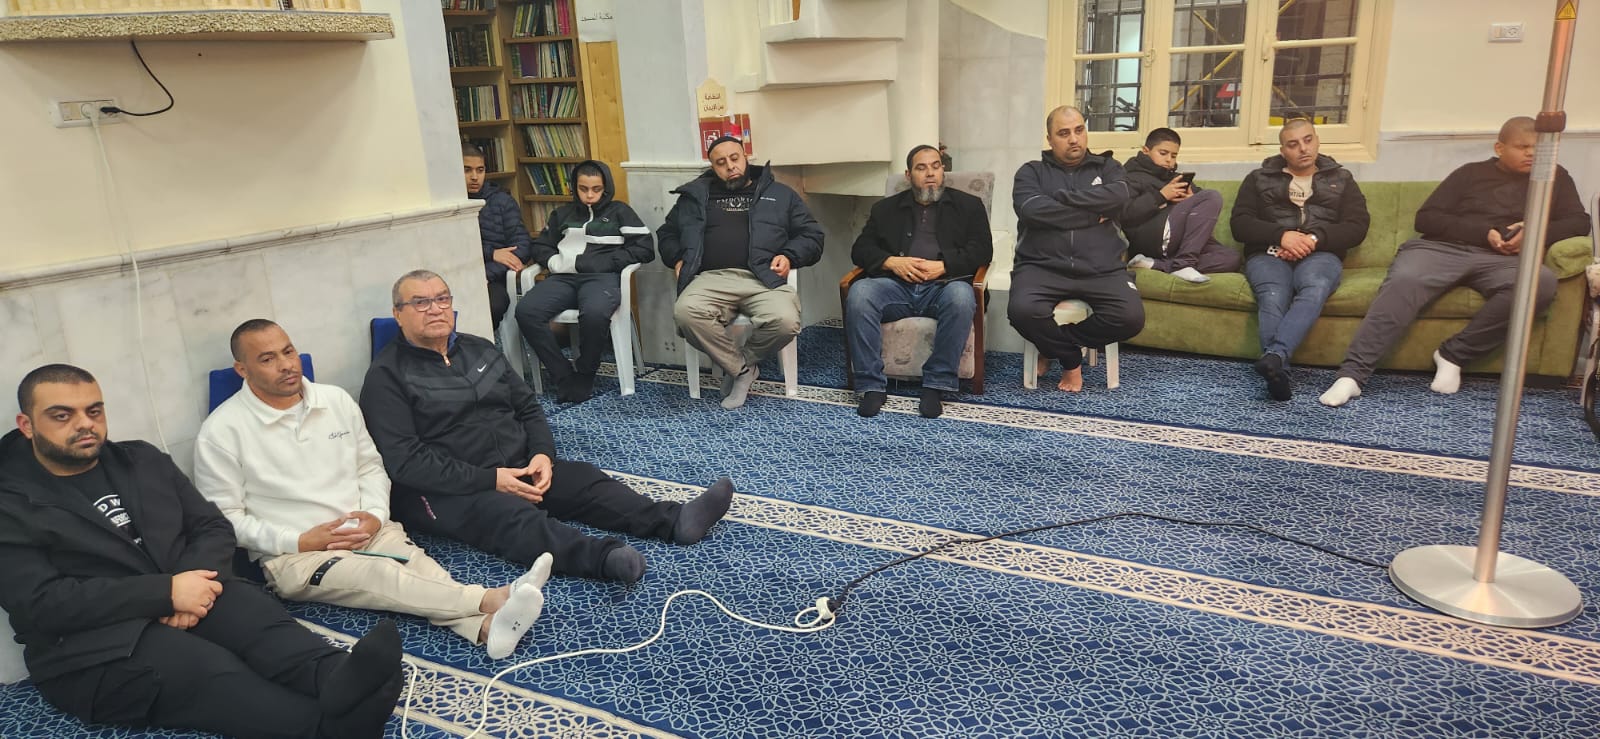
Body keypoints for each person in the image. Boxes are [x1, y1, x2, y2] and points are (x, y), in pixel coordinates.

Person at [0, 365, 403, 739]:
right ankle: (322, 729)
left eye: (94, 411)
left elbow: (212, 526)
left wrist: (193, 584)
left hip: (188, 590)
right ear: (27, 425)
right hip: (90, 644)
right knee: (207, 669)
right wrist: (165, 593)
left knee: (256, 620)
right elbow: (40, 603)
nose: (84, 424)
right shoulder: (11, 503)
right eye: (62, 415)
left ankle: (337, 677)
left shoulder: (140, 460)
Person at [194, 320, 551, 660]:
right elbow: (224, 520)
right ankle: (494, 598)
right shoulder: (222, 431)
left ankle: (487, 629)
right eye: (267, 359)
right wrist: (299, 540)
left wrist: (376, 515)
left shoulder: (334, 400)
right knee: (383, 578)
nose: (286, 365)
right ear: (242, 370)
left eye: (288, 351)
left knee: (422, 570)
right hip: (296, 556)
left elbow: (370, 466)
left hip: (366, 529)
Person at [361, 270, 736, 585]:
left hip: (518, 465)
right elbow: (406, 462)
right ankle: (602, 558)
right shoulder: (387, 376)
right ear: (398, 314)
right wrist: (491, 479)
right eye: (420, 303)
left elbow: (527, 407)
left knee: (585, 480)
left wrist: (541, 454)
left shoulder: (479, 349)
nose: (435, 309)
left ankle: (675, 521)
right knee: (511, 519)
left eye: (442, 299)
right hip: (451, 490)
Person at [1320, 116, 1593, 407]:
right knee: (1406, 280)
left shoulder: (1555, 177)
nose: (1532, 153)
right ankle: (1352, 376)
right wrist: (1483, 232)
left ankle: (1453, 355)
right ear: (1500, 148)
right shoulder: (1470, 173)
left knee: (1540, 283)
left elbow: (1579, 221)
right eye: (1522, 146)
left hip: (1501, 260)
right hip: (1443, 249)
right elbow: (1427, 218)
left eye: (1538, 147)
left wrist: (1536, 231)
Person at [659, 136, 826, 409]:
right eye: (721, 162)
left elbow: (812, 235)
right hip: (711, 278)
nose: (730, 166)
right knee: (686, 314)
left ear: (746, 157)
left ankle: (739, 366)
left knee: (785, 321)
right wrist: (677, 258)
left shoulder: (780, 194)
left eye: (734, 158)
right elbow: (667, 234)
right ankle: (743, 371)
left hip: (763, 277)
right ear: (713, 167)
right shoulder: (695, 197)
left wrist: (789, 255)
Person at [846, 144, 993, 418]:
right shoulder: (885, 209)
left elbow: (983, 251)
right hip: (896, 288)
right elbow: (860, 250)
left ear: (943, 170)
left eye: (935, 166)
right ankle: (872, 386)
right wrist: (891, 262)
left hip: (944, 287)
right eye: (921, 168)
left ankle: (935, 385)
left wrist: (944, 265)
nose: (930, 173)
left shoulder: (969, 205)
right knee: (860, 293)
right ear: (908, 175)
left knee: (962, 297)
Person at [1007, 105, 1144, 393]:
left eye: (1079, 130)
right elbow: (1032, 210)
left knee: (1131, 318)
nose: (1073, 139)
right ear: (1050, 139)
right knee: (1022, 311)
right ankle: (1070, 358)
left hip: (1101, 268)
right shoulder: (1031, 172)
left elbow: (1120, 195)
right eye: (1063, 133)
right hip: (1042, 266)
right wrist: (1093, 213)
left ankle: (1052, 345)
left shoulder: (1108, 167)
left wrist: (1060, 199)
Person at [1234, 119, 1369, 401]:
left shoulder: (1342, 178)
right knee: (1273, 293)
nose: (1303, 149)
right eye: (1293, 144)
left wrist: (1313, 239)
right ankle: (1278, 372)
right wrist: (1281, 235)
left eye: (1308, 140)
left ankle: (1275, 357)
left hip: (1321, 253)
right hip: (1270, 252)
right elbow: (1240, 224)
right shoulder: (1258, 178)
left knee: (1315, 286)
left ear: (1317, 141)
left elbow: (1357, 226)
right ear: (1283, 150)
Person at [514, 160, 655, 403]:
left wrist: (607, 263)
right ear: (574, 187)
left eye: (596, 189)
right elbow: (540, 246)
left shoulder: (620, 211)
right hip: (563, 278)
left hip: (601, 278)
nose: (589, 195)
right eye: (583, 188)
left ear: (606, 188)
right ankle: (563, 375)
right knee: (526, 311)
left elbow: (645, 249)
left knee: (594, 313)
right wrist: (554, 262)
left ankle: (585, 372)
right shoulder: (562, 214)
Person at [1121, 128, 1241, 283]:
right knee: (1212, 196)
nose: (1169, 160)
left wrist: (1191, 199)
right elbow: (1125, 213)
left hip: (1177, 240)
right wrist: (1161, 196)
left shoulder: (1176, 178)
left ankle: (1159, 265)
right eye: (1163, 153)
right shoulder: (1130, 176)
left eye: (1174, 155)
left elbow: (1202, 202)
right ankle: (1184, 263)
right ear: (1145, 151)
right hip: (1151, 237)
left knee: (1231, 258)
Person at [465, 141, 535, 331]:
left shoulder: (502, 201)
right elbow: (450, 250)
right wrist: (492, 253)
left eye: (480, 170)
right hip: (458, 275)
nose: (474, 177)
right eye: (467, 170)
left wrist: (486, 274)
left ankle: (482, 344)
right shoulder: (448, 207)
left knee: (493, 305)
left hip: (494, 278)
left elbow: (522, 247)